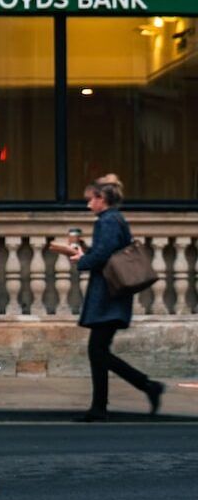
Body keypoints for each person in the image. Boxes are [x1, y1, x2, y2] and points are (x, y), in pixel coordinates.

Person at [69, 175, 165, 422]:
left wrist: (83, 260)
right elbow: (106, 252)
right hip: (110, 295)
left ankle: (145, 386)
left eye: (90, 200)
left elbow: (103, 255)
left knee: (97, 350)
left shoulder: (109, 220)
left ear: (102, 199)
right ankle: (103, 405)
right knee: (98, 351)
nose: (88, 205)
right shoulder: (111, 220)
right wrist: (83, 250)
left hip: (109, 296)